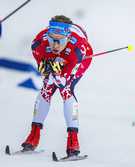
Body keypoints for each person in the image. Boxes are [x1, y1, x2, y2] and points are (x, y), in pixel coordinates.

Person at [21, 15, 93, 157]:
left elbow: (63, 79)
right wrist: (46, 70)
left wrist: (59, 73)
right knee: (46, 88)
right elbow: (44, 69)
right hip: (58, 56)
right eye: (51, 39)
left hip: (80, 59)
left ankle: (73, 141)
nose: (54, 45)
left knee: (65, 89)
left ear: (66, 37)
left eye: (59, 41)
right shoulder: (39, 43)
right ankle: (33, 136)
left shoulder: (78, 50)